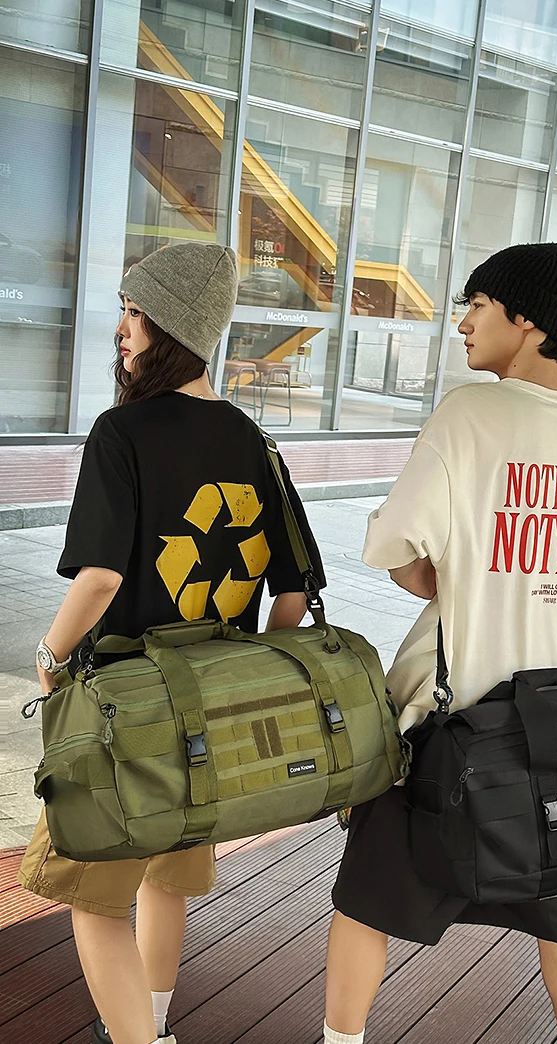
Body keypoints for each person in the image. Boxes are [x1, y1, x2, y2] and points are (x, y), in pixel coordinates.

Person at [322, 243, 557, 1044]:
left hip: (453, 732)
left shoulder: (469, 415)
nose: (463, 323)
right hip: (556, 742)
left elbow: (400, 550)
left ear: (526, 320)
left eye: (476, 305)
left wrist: (456, 580)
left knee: (367, 901)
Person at [18, 243, 325, 1044]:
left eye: (136, 312)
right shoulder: (257, 444)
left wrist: (49, 658)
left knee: (93, 900)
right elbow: (293, 596)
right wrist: (245, 670)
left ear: (173, 326)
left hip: (126, 716)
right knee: (165, 881)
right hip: (209, 715)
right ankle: (153, 1023)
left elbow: (100, 580)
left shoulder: (121, 433)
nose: (122, 328)